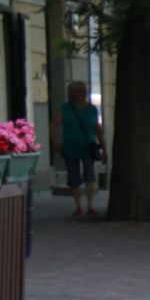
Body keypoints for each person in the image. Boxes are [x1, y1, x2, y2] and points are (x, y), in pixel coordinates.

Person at [52, 80, 105, 217]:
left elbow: (97, 130)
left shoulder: (91, 109)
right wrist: (54, 142)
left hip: (88, 146)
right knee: (74, 177)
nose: (84, 94)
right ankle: (78, 206)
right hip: (70, 147)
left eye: (85, 91)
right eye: (81, 91)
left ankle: (91, 206)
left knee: (90, 176)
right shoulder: (65, 108)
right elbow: (53, 125)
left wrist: (104, 148)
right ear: (73, 93)